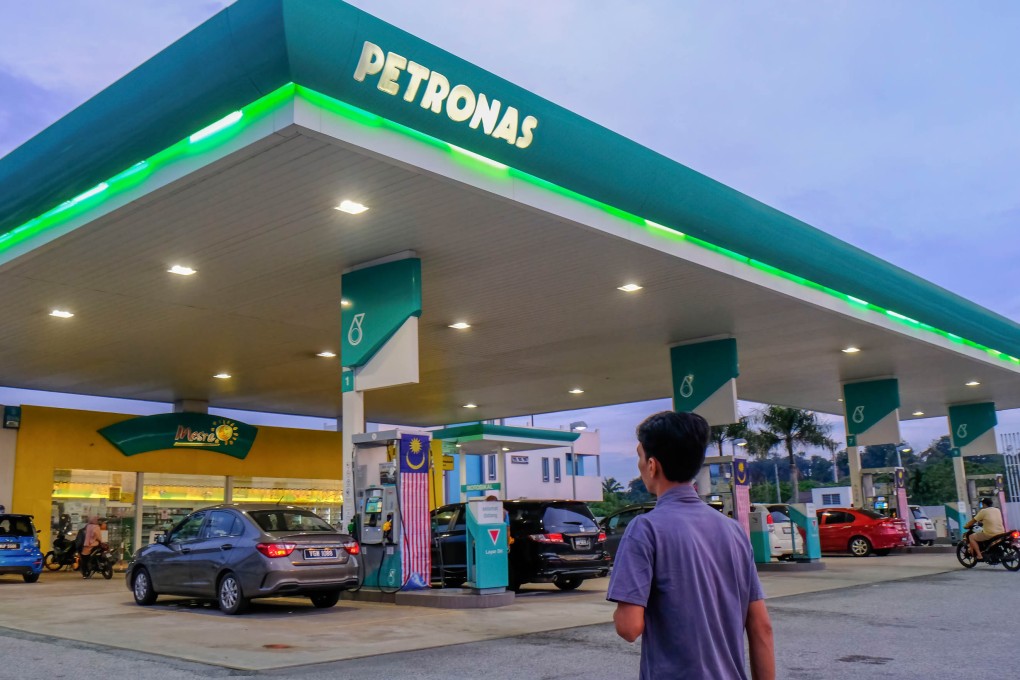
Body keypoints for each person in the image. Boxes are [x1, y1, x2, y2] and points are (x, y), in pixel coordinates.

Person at [608, 411, 775, 680]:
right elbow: (761, 627)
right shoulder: (733, 530)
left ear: (652, 465)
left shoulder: (645, 529)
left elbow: (629, 628)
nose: (639, 467)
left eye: (640, 458)